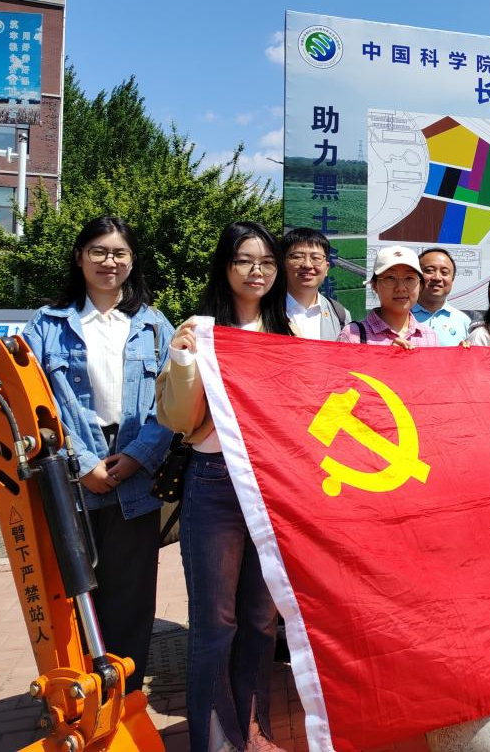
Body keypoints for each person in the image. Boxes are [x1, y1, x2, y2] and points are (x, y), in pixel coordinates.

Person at [22, 215, 174, 694]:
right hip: (69, 470)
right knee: (73, 589)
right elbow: (33, 402)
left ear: (132, 260)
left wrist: (139, 456)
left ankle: (124, 694)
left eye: (119, 253)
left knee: (132, 593)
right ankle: (83, 691)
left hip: (137, 466)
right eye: (99, 251)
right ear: (80, 257)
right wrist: (83, 462)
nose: (110, 261)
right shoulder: (46, 324)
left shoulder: (153, 325)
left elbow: (173, 401)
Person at [157, 221, 294, 752]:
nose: (257, 271)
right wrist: (184, 360)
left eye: (267, 261)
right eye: (245, 260)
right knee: (216, 623)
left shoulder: (283, 334)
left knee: (260, 621)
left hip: (269, 488)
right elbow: (177, 419)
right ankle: (216, 739)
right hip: (214, 483)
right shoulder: (199, 329)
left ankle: (254, 732)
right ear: (225, 266)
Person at [337, 246, 438, 348]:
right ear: (374, 285)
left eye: (409, 278)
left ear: (420, 285)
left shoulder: (429, 336)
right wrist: (387, 355)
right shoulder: (353, 335)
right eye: (390, 278)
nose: (401, 288)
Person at [281, 227, 349, 341]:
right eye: (297, 257)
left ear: (327, 268)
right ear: (282, 264)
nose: (307, 265)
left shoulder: (340, 315)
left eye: (316, 258)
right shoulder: (263, 310)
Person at [412, 247, 472, 346]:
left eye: (444, 272)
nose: (437, 277)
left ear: (452, 279)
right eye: (429, 271)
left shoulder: (464, 321)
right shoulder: (400, 316)